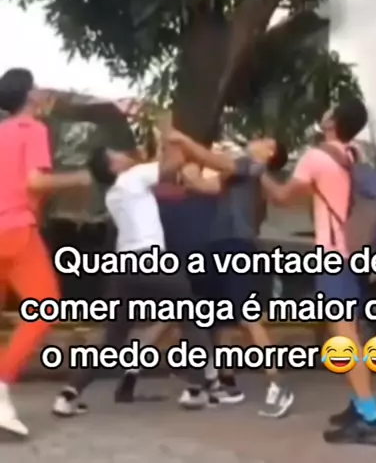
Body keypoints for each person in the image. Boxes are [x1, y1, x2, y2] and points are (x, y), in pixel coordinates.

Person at [52, 145, 222, 417]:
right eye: (117, 154)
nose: (125, 155)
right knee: (191, 317)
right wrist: (178, 142)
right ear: (113, 165)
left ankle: (69, 394)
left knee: (112, 340)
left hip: (124, 269)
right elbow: (173, 164)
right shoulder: (134, 176)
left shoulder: (113, 194)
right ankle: (197, 389)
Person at [260, 98, 376, 446]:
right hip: (357, 252)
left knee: (344, 338)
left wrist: (257, 171)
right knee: (352, 334)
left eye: (330, 109)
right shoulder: (355, 154)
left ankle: (371, 419)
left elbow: (283, 197)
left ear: (333, 122)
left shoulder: (317, 157)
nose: (325, 111)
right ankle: (359, 406)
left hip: (335, 257)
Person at [167, 133, 295, 418]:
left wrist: (185, 141)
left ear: (270, 153)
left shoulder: (251, 165)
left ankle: (278, 385)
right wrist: (186, 164)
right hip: (219, 243)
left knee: (248, 318)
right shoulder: (241, 171)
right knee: (221, 319)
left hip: (237, 245)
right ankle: (225, 382)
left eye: (265, 140)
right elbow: (202, 185)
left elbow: (212, 160)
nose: (256, 139)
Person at [0, 68, 91, 438]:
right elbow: (34, 181)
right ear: (28, 96)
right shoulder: (32, 129)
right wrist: (81, 178)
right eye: (35, 86)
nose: (41, 91)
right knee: (45, 306)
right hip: (16, 229)